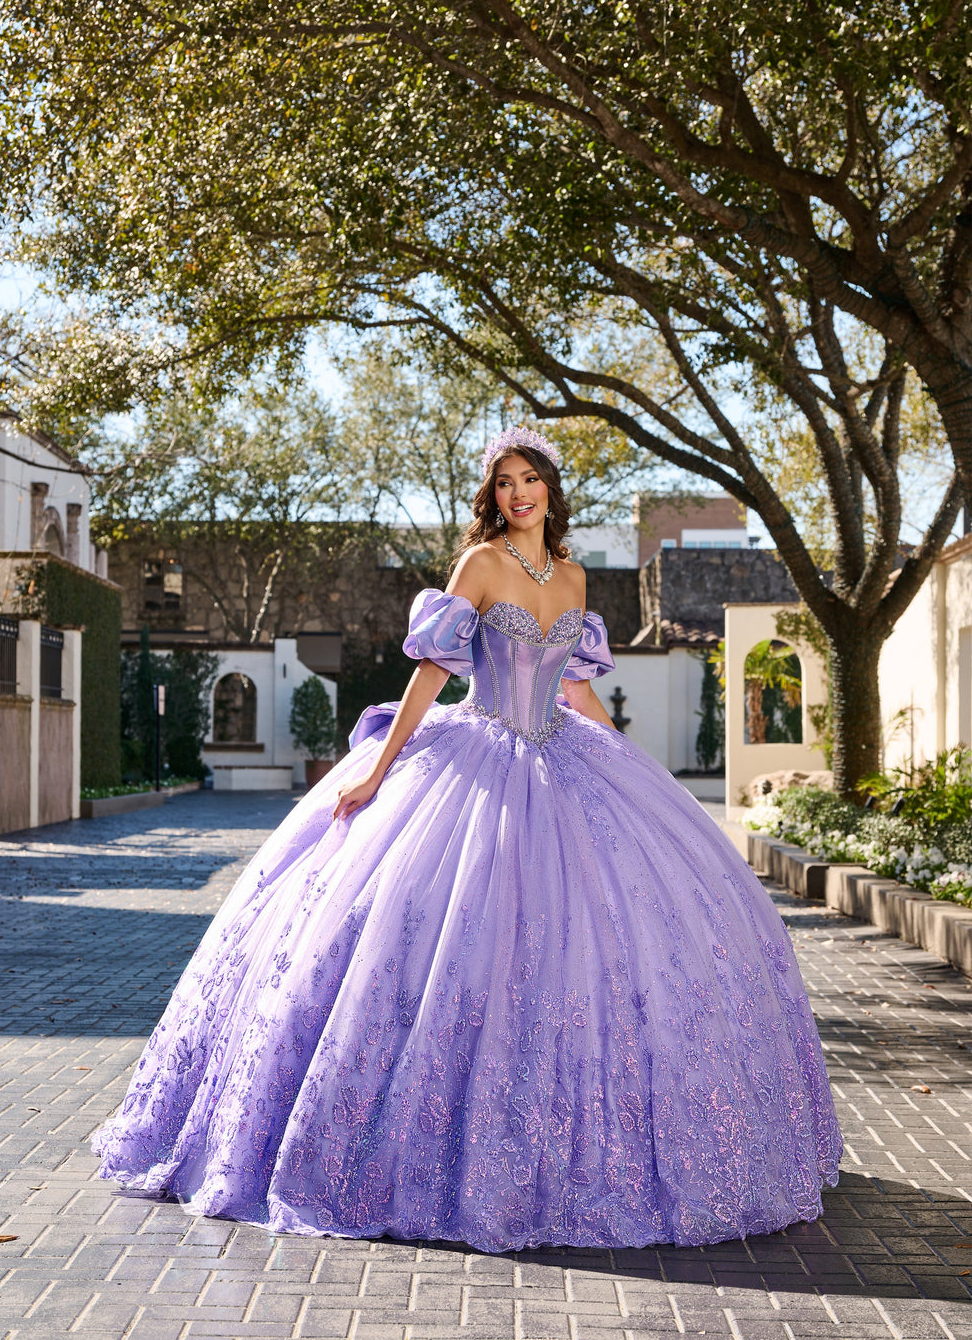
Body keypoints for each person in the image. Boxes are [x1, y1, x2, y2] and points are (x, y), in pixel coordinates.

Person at [93, 426, 841, 1253]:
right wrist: (377, 768)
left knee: (596, 943)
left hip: (564, 757)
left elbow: (579, 692)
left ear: (551, 490)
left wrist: (644, 772)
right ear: (492, 495)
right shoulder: (480, 564)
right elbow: (433, 671)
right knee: (436, 935)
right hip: (477, 756)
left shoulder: (575, 575)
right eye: (505, 482)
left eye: (531, 480)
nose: (518, 493)